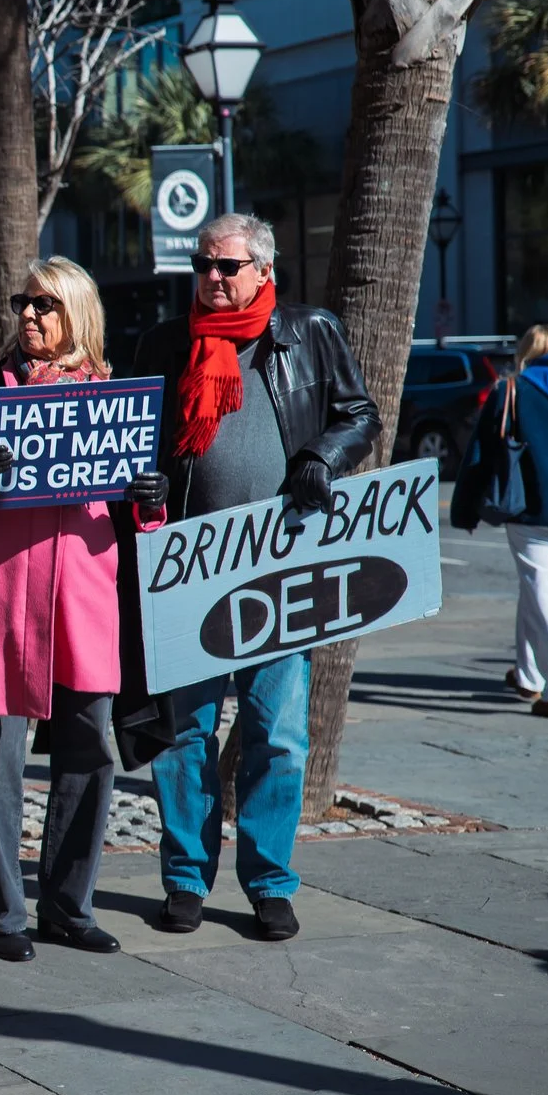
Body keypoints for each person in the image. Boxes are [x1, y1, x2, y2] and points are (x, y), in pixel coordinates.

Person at [0, 261, 166, 961]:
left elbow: (146, 527)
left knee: (89, 756)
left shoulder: (117, 399)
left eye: (46, 304)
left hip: (86, 609)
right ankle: (4, 915)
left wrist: (153, 500)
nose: (30, 315)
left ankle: (70, 906)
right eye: (23, 303)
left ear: (77, 312)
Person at [132, 213, 380, 942]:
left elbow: (358, 415)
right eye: (204, 266)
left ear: (263, 273)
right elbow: (134, 445)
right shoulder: (161, 344)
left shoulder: (308, 334)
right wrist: (140, 490)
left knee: (278, 733)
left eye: (228, 267)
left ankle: (270, 882)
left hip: (280, 571)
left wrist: (322, 458)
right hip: (190, 572)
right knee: (185, 734)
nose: (212, 278)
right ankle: (184, 879)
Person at [454, 323, 548, 718]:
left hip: (528, 513)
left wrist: (465, 508)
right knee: (543, 594)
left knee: (544, 596)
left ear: (527, 353)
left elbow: (480, 455)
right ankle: (530, 675)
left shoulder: (512, 390)